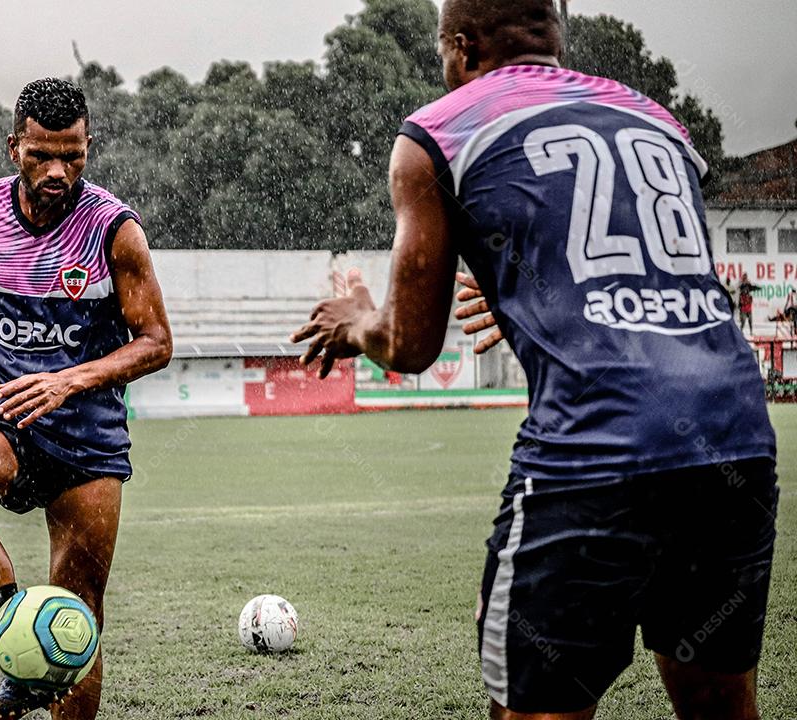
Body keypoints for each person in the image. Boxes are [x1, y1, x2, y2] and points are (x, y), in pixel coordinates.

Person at [291, 2, 778, 719]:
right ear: (555, 35)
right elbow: (641, 276)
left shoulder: (440, 129)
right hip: (734, 435)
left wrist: (357, 317)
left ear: (460, 46)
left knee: (536, 708)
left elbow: (412, 345)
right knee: (717, 702)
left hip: (595, 452)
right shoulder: (653, 117)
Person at [0, 77, 172, 720]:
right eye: (42, 154)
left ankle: (48, 671)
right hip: (1, 414)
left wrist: (70, 379)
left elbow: (156, 342)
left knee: (78, 613)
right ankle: (14, 630)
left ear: (89, 146)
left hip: (87, 439)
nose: (58, 170)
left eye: (73, 155)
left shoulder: (114, 229)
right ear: (12, 145)